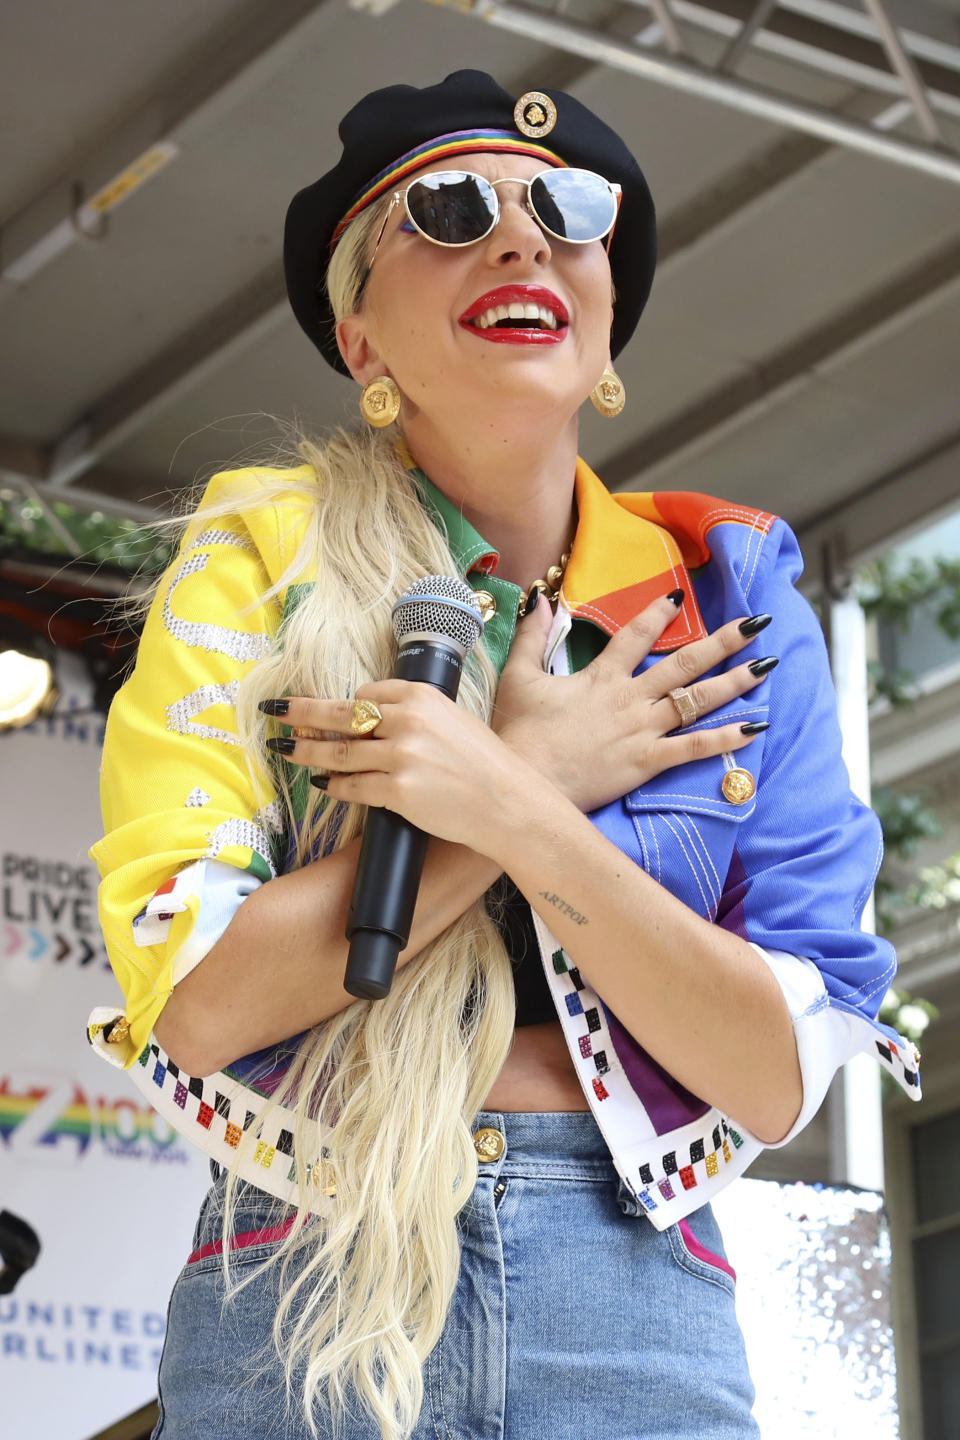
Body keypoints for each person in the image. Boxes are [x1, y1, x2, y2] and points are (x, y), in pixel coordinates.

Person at [86, 70, 921, 1440]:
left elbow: (772, 1078)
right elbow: (204, 1002)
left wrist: (523, 805)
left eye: (573, 212)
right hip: (305, 1261)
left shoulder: (731, 585)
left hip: (638, 1291)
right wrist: (524, 773)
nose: (524, 240)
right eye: (453, 210)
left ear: (605, 328)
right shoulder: (255, 558)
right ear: (360, 340)